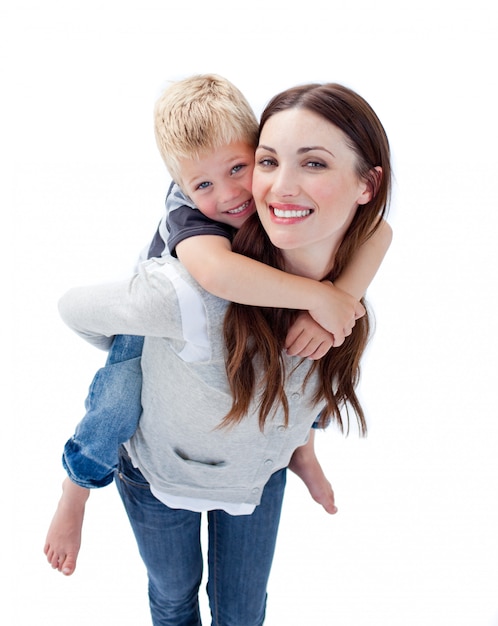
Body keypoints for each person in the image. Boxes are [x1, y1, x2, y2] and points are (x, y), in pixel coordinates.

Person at [44, 76, 391, 607]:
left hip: (254, 468)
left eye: (241, 168)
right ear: (184, 186)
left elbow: (381, 231)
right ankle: (76, 489)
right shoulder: (190, 224)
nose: (231, 194)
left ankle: (302, 450)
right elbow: (215, 276)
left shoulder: (311, 236)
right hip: (147, 326)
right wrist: (319, 298)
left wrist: (342, 295)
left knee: (312, 367)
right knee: (115, 403)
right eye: (204, 184)